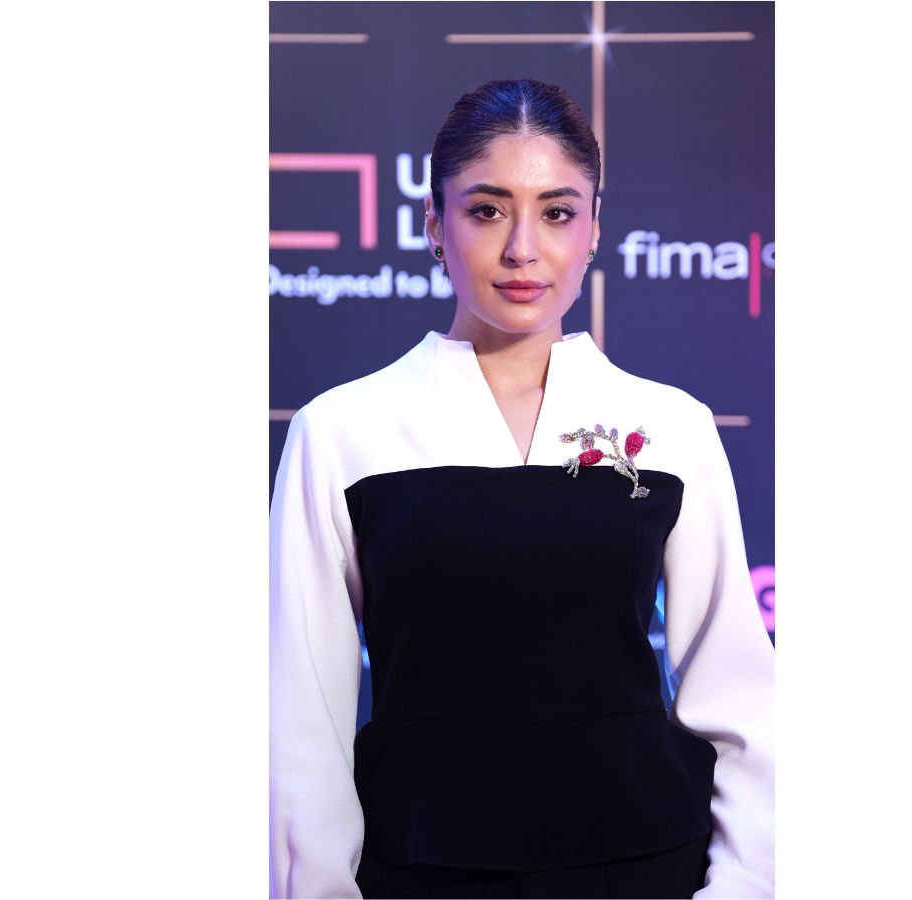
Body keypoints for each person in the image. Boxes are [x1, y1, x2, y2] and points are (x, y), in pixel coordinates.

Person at [270, 78, 774, 899]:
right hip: (417, 874)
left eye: (557, 212)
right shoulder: (340, 432)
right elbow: (300, 720)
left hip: (649, 868)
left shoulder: (671, 427)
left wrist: (744, 885)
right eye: (487, 209)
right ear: (434, 225)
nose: (523, 249)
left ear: (594, 228)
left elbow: (740, 694)